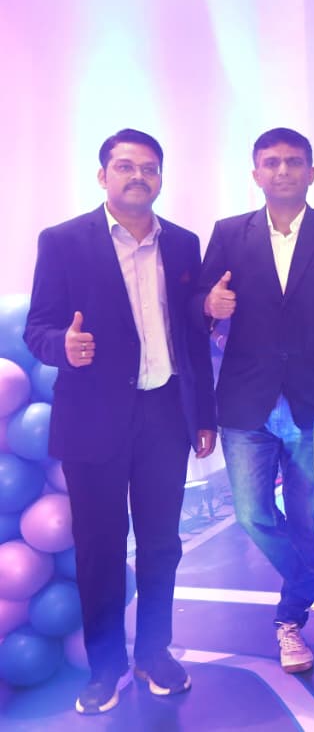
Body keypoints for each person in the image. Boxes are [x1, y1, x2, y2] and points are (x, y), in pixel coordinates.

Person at [24, 129, 217, 714]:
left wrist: (202, 415)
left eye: (149, 167)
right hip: (93, 418)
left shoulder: (182, 244)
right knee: (99, 547)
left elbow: (192, 336)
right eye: (126, 166)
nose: (138, 176)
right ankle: (105, 668)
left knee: (161, 543)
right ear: (102, 175)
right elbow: (38, 328)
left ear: (160, 177)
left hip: (165, 414)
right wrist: (63, 347)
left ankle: (155, 653)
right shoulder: (62, 241)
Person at [197, 127, 314, 673]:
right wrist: (208, 303)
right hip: (246, 400)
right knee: (253, 515)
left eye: (293, 161)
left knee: (307, 517)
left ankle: (288, 621)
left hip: (312, 396)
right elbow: (198, 299)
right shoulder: (229, 233)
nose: (283, 170)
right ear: (256, 173)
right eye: (272, 162)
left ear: (311, 172)